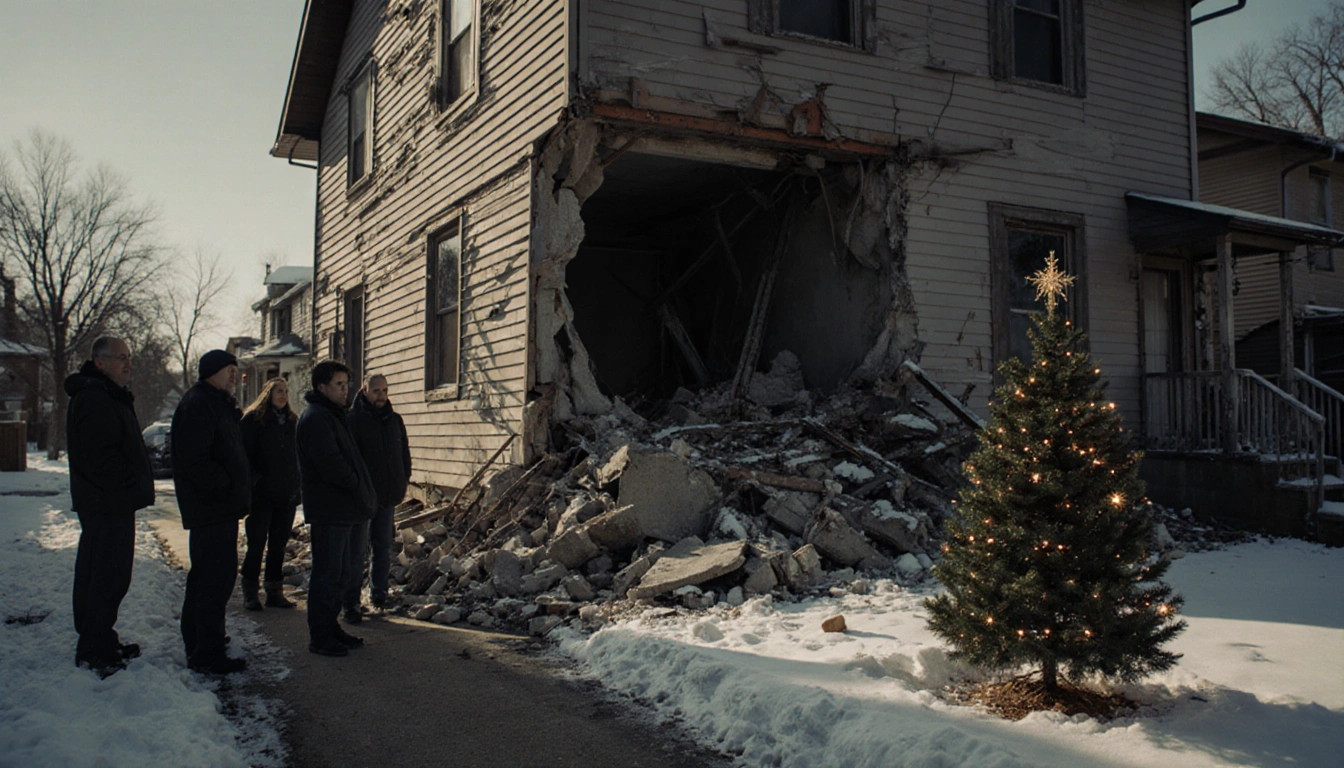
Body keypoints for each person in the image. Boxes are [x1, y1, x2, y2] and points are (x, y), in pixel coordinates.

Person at [65, 337, 155, 677]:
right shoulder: (93, 398)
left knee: (108, 574)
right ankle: (94, 648)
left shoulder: (107, 395)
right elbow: (99, 457)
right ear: (99, 363)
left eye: (128, 357)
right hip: (106, 502)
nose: (127, 363)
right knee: (106, 575)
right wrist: (129, 483)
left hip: (112, 501)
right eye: (119, 358)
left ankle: (101, 637)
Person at [171, 349, 250, 674]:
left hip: (219, 509)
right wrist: (228, 486)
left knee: (211, 577)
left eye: (235, 369)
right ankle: (207, 652)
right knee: (212, 580)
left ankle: (202, 641)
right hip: (211, 508)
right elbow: (195, 461)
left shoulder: (217, 403)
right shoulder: (199, 404)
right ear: (210, 372)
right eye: (228, 370)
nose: (234, 375)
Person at [297, 360, 375, 657]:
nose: (346, 390)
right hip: (330, 510)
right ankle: (320, 636)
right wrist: (357, 486)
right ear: (322, 388)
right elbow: (333, 466)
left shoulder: (333, 415)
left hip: (343, 510)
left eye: (346, 384)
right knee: (328, 574)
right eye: (339, 385)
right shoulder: (316, 418)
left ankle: (331, 628)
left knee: (339, 573)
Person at [346, 373, 411, 618]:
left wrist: (403, 479)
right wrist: (357, 489)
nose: (381, 395)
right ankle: (350, 602)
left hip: (387, 496)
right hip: (362, 498)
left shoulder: (394, 420)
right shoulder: (353, 420)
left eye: (384, 390)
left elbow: (404, 451)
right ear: (364, 391)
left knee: (382, 548)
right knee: (357, 551)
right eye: (376, 391)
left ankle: (379, 596)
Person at [239, 378, 300, 612]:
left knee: (278, 545)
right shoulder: (253, 420)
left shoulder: (292, 422)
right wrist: (256, 482)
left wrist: (297, 484)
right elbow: (244, 456)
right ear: (268, 393)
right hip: (261, 495)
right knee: (256, 544)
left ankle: (274, 591)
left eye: (286, 391)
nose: (283, 395)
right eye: (278, 391)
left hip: (286, 494)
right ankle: (250, 592)